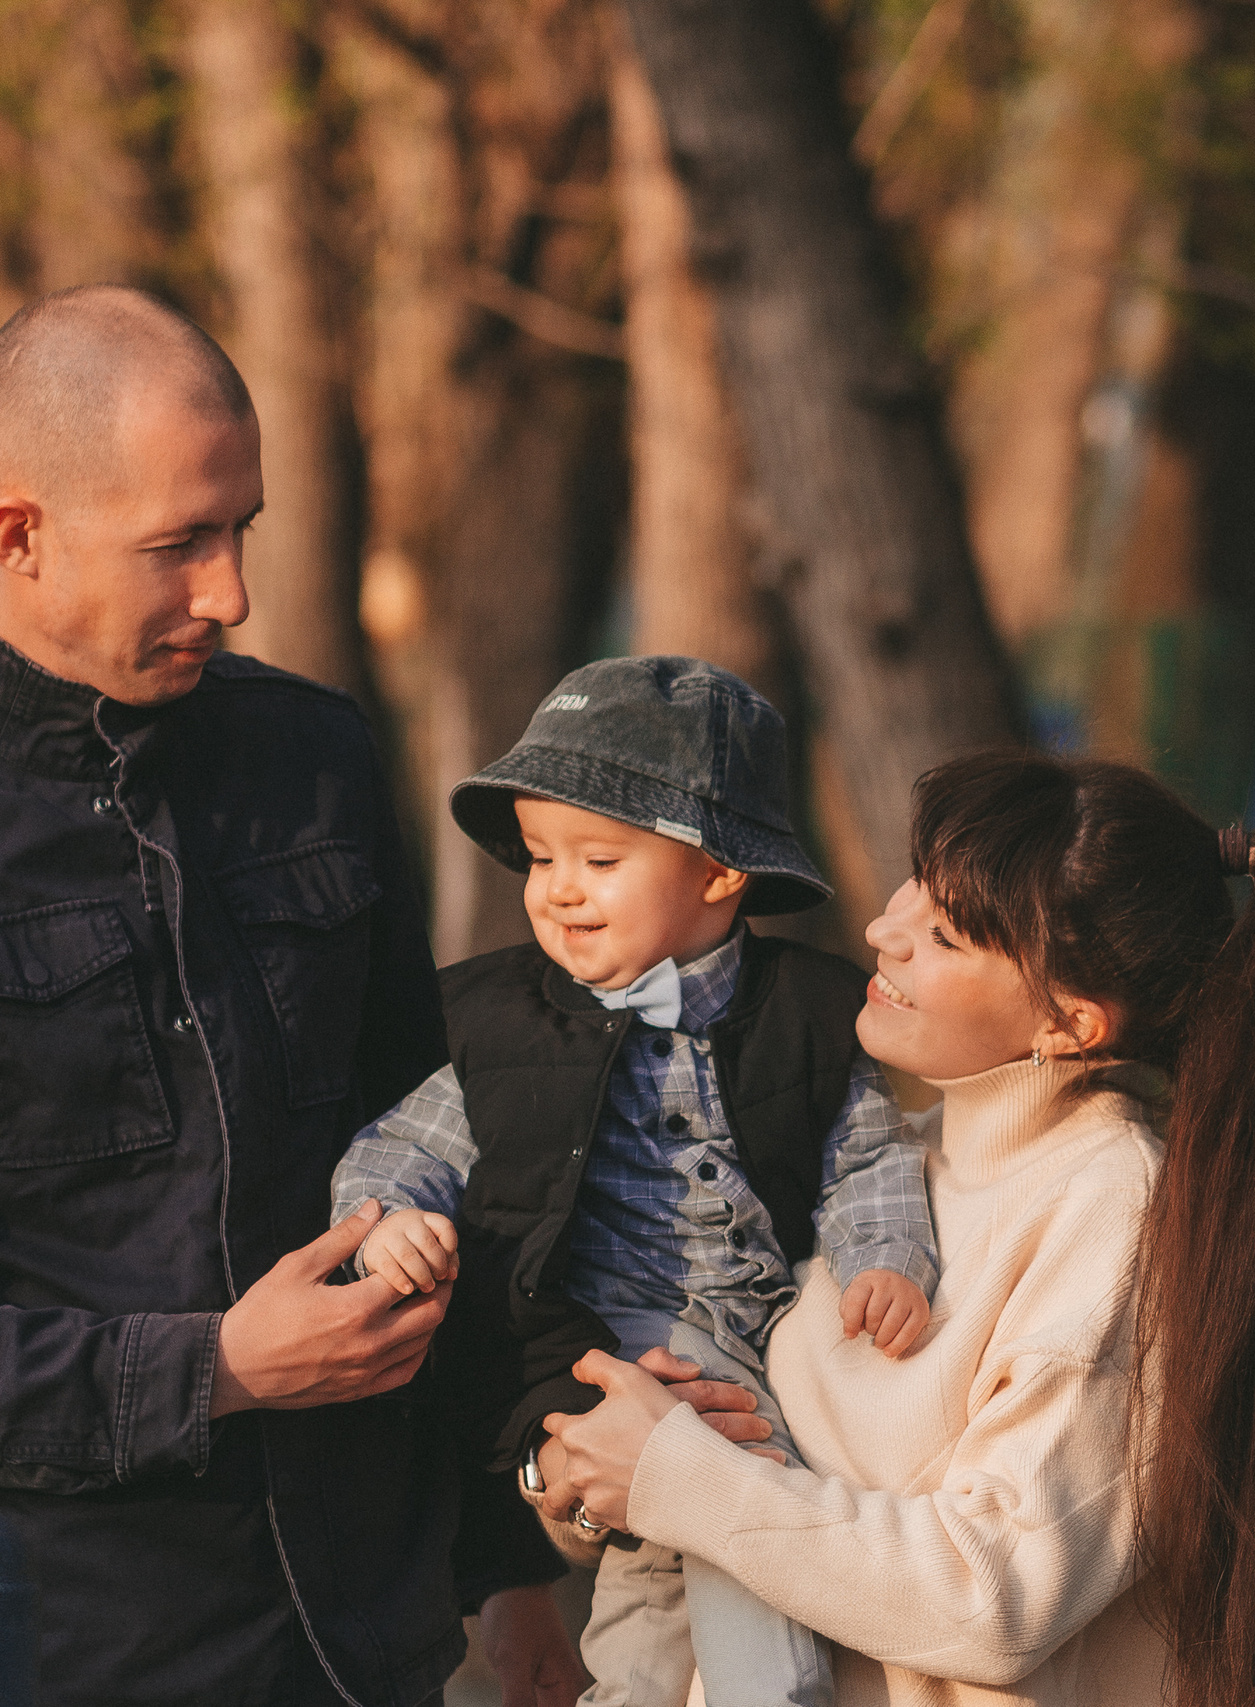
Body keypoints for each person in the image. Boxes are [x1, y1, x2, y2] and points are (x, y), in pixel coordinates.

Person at [0, 284, 583, 1705]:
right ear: (19, 535)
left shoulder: (317, 759)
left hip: (367, 1637)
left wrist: (503, 1558)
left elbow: (435, 1154)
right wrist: (211, 1369)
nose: (229, 592)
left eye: (243, 528)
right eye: (180, 544)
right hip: (58, 1652)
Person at [533, 753, 1255, 1707]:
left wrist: (683, 1476)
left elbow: (994, 1596)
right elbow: (732, 1501)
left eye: (946, 933)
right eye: (913, 887)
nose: (883, 930)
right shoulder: (889, 1163)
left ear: (1070, 1021)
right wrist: (599, 1468)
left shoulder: (1112, 1215)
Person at [332, 657, 940, 1707]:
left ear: (720, 872)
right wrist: (383, 1223)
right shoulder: (493, 1019)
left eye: (599, 860)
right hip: (589, 1340)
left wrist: (884, 1256)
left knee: (660, 1566)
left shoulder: (810, 1009)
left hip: (770, 1332)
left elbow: (868, 1157)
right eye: (539, 858)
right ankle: (773, 1695)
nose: (557, 889)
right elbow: (403, 1147)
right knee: (733, 1471)